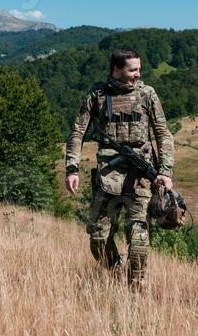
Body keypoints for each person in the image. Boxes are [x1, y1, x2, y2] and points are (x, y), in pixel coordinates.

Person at [64, 49, 174, 288]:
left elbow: (163, 134)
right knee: (98, 238)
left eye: (139, 69)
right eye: (132, 69)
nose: (138, 74)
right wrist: (72, 168)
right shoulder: (97, 95)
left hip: (141, 178)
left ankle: (136, 288)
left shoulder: (147, 94)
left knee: (139, 240)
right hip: (107, 178)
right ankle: (115, 272)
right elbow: (77, 133)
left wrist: (165, 171)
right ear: (116, 69)